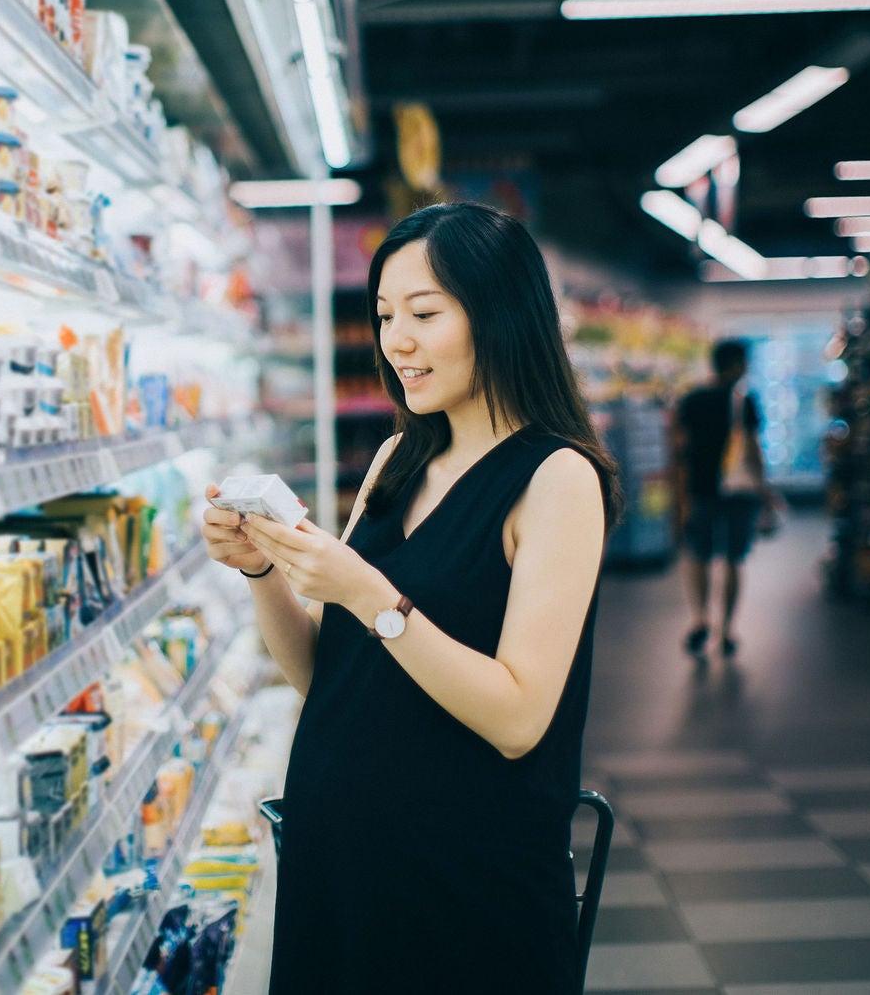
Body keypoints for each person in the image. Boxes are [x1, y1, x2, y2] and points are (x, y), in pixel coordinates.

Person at [200, 202, 619, 995]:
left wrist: (370, 593)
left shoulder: (556, 477)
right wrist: (263, 571)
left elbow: (519, 716)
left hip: (463, 886)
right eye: (386, 314)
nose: (397, 340)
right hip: (342, 868)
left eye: (425, 313)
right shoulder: (398, 457)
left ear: (499, 314)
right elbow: (329, 676)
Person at [669, 338, 776, 658]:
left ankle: (700, 617)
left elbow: (680, 451)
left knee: (699, 555)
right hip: (738, 491)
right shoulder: (745, 402)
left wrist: (681, 498)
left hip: (701, 489)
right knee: (733, 558)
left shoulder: (691, 399)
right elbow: (753, 450)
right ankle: (727, 629)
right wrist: (764, 488)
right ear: (733, 365)